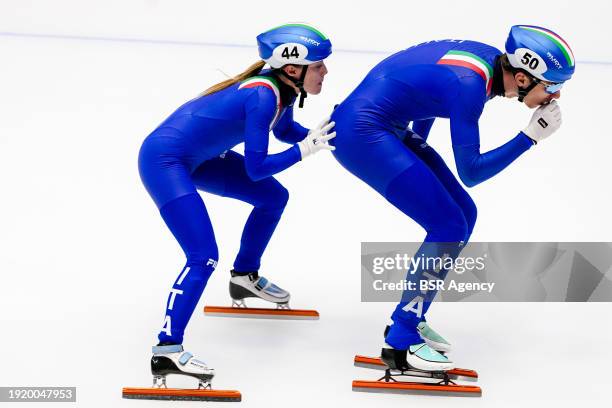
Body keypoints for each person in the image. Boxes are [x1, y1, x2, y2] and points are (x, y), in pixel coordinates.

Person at [330, 25, 574, 371]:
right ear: (521, 78)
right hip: (362, 132)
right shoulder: (470, 86)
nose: (556, 96)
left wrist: (417, 147)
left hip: (383, 124)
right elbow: (471, 173)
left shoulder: (488, 66)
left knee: (464, 214)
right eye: (553, 86)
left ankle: (412, 313)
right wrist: (530, 136)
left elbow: (424, 89)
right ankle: (400, 341)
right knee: (447, 224)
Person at [138, 23, 335, 386]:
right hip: (164, 161)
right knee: (202, 257)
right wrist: (305, 150)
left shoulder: (282, 89)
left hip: (198, 156)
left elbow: (281, 131)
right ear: (293, 68)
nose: (326, 71)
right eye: (319, 65)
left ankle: (244, 277)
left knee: (274, 198)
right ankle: (167, 350)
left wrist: (318, 134)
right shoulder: (262, 96)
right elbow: (256, 168)